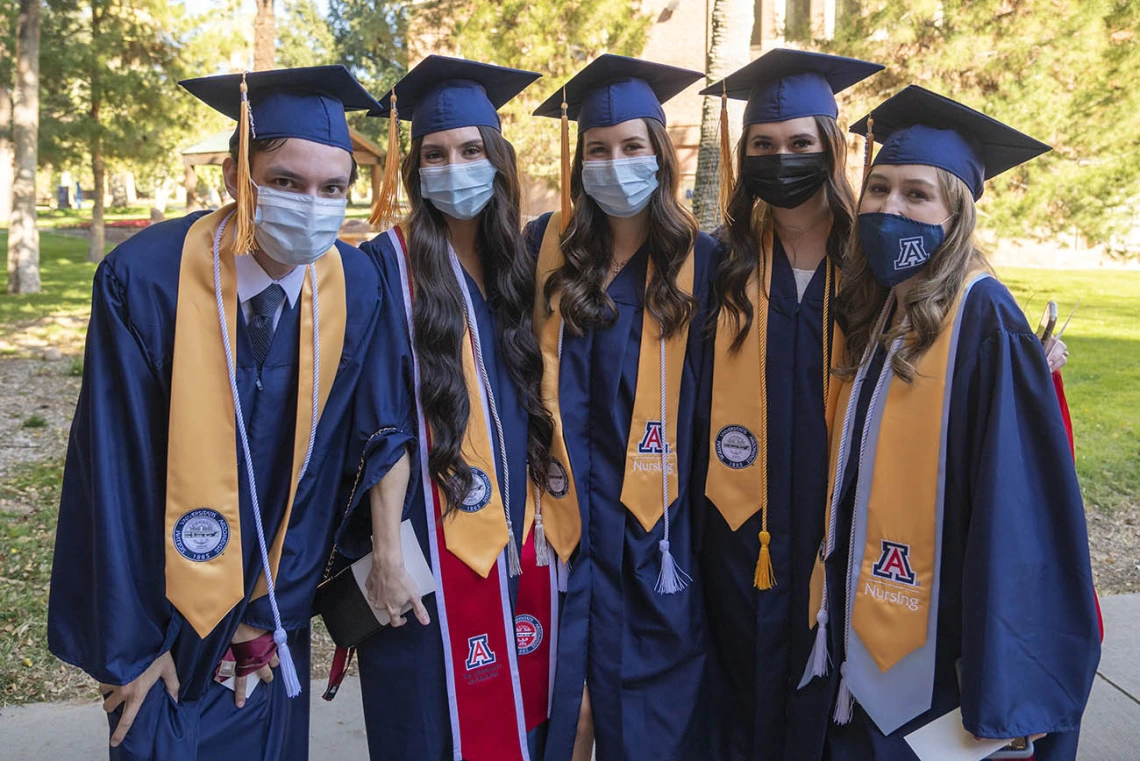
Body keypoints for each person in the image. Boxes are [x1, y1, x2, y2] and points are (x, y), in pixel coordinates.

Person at [46, 66, 416, 761]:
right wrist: (126, 652)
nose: (312, 204)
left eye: (332, 188)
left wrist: (268, 610)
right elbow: (112, 467)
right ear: (234, 177)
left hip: (270, 620)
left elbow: (349, 450)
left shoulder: (356, 285)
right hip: (163, 619)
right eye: (285, 182)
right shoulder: (144, 281)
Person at [798, 85, 1100, 761]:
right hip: (868, 646)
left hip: (944, 672)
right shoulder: (881, 314)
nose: (888, 209)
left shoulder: (984, 318)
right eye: (877, 189)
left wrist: (1002, 692)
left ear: (955, 214)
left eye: (916, 194)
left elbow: (1018, 520)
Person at [347, 55, 563, 761]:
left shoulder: (524, 265)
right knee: (429, 722)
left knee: (526, 713)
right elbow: (380, 419)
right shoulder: (387, 263)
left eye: (470, 150)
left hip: (526, 535)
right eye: (434, 155)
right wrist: (385, 553)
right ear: (415, 171)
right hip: (427, 545)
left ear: (498, 159)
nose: (453, 167)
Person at [694, 49, 883, 761]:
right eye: (763, 146)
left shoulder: (874, 261)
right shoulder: (723, 259)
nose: (783, 158)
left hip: (843, 522)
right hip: (743, 530)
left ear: (831, 148)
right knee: (743, 679)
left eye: (802, 143)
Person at [528, 54, 716, 761]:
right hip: (561, 530)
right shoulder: (544, 251)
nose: (614, 163)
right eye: (598, 150)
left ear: (661, 155)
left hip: (659, 542)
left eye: (632, 147)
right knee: (565, 717)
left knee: (649, 727)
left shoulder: (710, 265)